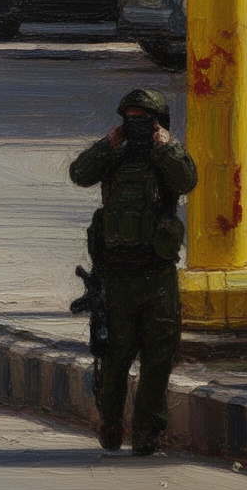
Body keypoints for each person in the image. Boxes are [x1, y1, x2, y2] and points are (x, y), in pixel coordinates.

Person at [69, 88, 197, 455]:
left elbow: (189, 180)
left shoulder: (167, 158)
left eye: (145, 121)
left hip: (158, 276)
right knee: (113, 358)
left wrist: (165, 144)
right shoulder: (115, 156)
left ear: (159, 123)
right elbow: (80, 173)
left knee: (159, 359)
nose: (138, 128)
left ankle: (148, 433)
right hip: (117, 277)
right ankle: (111, 420)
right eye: (132, 121)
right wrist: (109, 143)